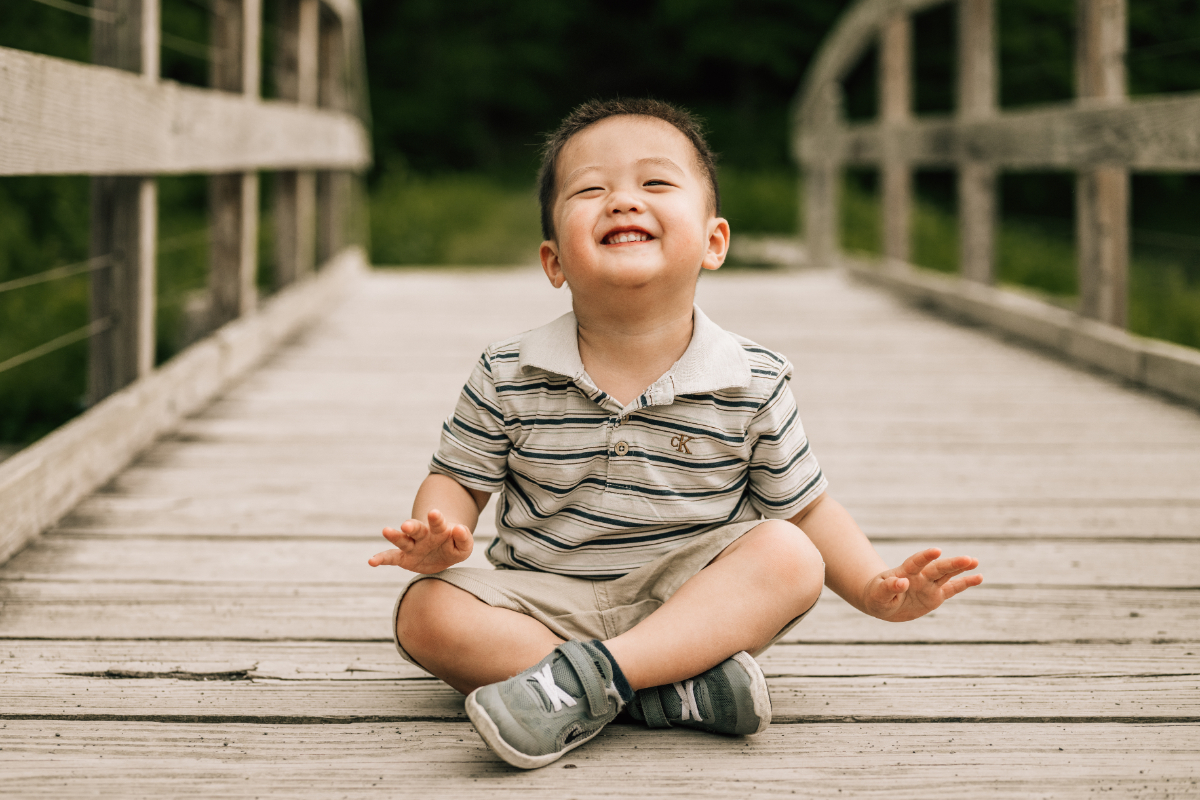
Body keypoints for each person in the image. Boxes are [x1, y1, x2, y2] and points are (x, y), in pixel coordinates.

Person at [368, 98, 983, 770]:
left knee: (791, 554)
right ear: (554, 262)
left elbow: (806, 507)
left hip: (692, 605)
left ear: (714, 242)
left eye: (655, 184)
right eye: (591, 189)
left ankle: (590, 680)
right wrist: (438, 531)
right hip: (543, 601)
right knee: (425, 613)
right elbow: (459, 478)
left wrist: (871, 587)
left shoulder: (753, 379)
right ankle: (662, 691)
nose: (623, 201)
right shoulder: (508, 371)